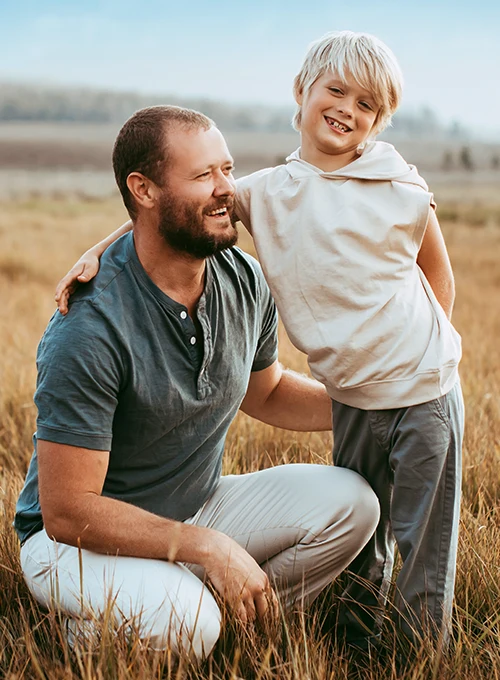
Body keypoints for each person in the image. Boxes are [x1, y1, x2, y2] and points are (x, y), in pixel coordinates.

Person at [57, 32, 464, 651]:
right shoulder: (268, 192)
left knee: (407, 534)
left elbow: (437, 278)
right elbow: (167, 211)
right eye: (336, 91)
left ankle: (413, 655)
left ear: (380, 122)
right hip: (350, 397)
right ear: (301, 94)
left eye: (368, 106)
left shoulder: (397, 186)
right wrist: (96, 251)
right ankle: (338, 639)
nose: (348, 110)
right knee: (364, 546)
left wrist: (416, 357)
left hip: (419, 389)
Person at [15, 104, 380, 660]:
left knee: (353, 504)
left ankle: (231, 621)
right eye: (204, 175)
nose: (226, 189)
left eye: (227, 169)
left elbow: (268, 391)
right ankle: (82, 639)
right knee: (188, 625)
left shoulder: (243, 279)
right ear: (144, 189)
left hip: (194, 505)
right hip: (75, 544)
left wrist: (367, 401)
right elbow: (68, 510)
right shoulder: (89, 327)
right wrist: (204, 546)